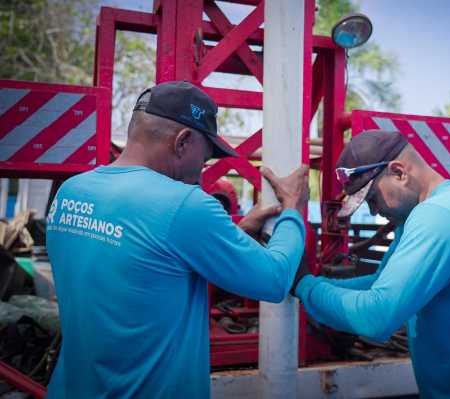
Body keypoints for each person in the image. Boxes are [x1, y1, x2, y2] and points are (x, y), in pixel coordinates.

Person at [45, 81, 308, 398]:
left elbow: (148, 265)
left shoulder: (72, 191)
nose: (203, 167)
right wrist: (292, 209)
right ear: (183, 141)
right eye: (207, 156)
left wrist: (235, 234)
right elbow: (275, 279)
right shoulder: (186, 204)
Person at [291, 130, 450, 398]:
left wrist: (305, 287)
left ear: (399, 172)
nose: (375, 211)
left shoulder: (439, 215)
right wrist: (319, 284)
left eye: (372, 199)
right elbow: (380, 283)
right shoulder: (443, 205)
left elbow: (376, 317)